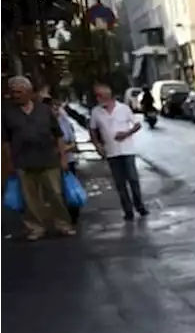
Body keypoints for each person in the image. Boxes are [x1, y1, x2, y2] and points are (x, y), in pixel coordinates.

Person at [0, 76, 75, 241]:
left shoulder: (44, 110)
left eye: (19, 92)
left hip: (48, 159)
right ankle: (36, 227)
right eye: (13, 92)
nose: (15, 95)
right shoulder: (8, 113)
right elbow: (5, 140)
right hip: (23, 161)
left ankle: (63, 224)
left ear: (29, 92)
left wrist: (63, 158)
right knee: (30, 198)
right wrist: (9, 161)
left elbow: (59, 136)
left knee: (55, 193)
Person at [89, 83, 149, 220]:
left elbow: (137, 124)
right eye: (97, 96)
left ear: (107, 96)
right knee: (120, 183)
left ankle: (140, 206)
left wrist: (127, 133)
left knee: (133, 179)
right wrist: (98, 146)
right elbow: (92, 130)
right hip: (111, 152)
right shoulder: (96, 112)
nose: (97, 99)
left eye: (99, 96)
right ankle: (128, 211)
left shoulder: (123, 108)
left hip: (127, 151)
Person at [50, 99, 81, 224]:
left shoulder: (64, 121)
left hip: (68, 160)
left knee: (70, 188)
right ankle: (61, 216)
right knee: (56, 191)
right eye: (53, 108)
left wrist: (63, 149)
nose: (56, 110)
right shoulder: (45, 123)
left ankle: (73, 214)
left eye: (57, 107)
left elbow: (73, 143)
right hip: (51, 163)